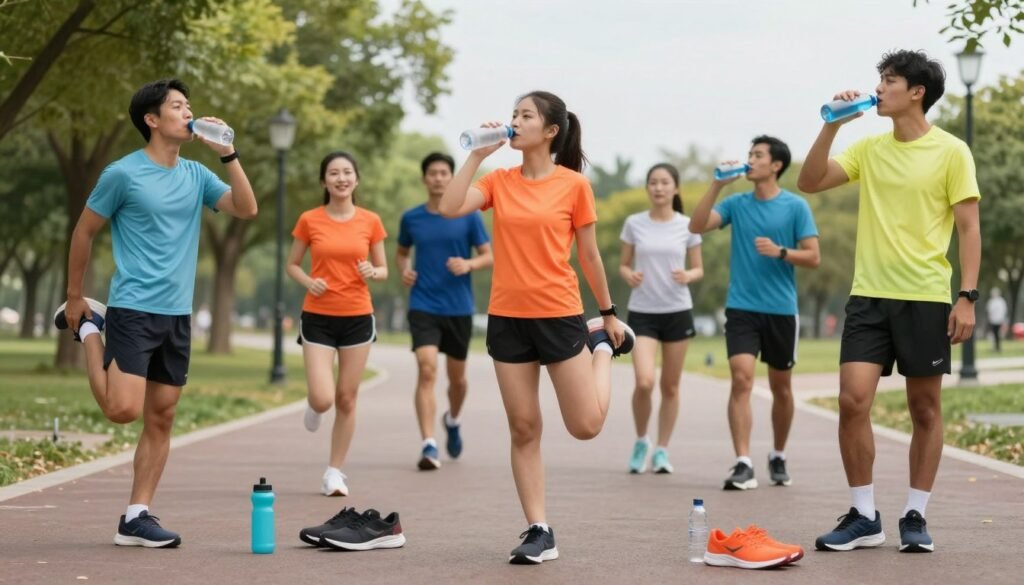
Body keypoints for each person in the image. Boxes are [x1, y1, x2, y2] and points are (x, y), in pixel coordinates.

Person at [54, 79, 258, 547]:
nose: (189, 112)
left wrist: (228, 153)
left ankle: (136, 515)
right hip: (133, 308)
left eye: (189, 105)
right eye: (178, 106)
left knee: (161, 417)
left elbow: (247, 208)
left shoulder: (197, 175)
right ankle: (89, 328)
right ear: (152, 119)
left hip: (177, 315)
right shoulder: (122, 174)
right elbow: (84, 232)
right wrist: (76, 294)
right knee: (121, 410)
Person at [798, 49, 981, 553]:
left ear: (916, 92)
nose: (878, 88)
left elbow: (969, 228)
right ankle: (863, 514)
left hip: (924, 296)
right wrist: (833, 126)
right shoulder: (871, 149)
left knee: (925, 408)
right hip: (868, 297)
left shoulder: (951, 152)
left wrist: (966, 297)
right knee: (852, 401)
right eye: (880, 79)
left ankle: (915, 516)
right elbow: (809, 181)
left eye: (889, 80)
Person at [440, 91, 634, 565]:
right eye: (513, 114)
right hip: (507, 318)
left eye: (525, 116)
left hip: (559, 314)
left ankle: (601, 353)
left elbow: (588, 255)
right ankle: (538, 528)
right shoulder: (498, 180)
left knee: (585, 426)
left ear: (550, 131)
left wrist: (607, 315)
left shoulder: (573, 186)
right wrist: (475, 154)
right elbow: (448, 207)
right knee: (524, 428)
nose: (514, 122)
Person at [690, 135, 820, 491]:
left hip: (781, 310)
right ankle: (743, 461)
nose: (750, 160)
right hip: (741, 307)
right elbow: (696, 225)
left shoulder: (796, 207)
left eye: (757, 155)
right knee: (742, 377)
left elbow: (813, 257)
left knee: (782, 387)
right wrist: (716, 185)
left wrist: (781, 252)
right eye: (749, 154)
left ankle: (777, 453)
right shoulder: (737, 203)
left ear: (775, 165)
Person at [286, 151, 388, 497]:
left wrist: (374, 272)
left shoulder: (370, 221)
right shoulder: (310, 220)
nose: (341, 178)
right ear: (324, 181)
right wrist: (307, 281)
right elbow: (293, 265)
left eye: (347, 172)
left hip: (358, 317)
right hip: (318, 317)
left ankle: (334, 472)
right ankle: (315, 406)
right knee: (323, 397)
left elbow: (383, 269)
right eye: (333, 173)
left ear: (356, 179)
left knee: (346, 398)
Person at [395, 152, 493, 470]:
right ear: (425, 179)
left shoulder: (468, 215)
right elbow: (401, 253)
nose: (438, 178)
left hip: (459, 307)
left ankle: (452, 419)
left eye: (444, 173)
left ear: (452, 178)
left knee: (458, 380)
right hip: (423, 303)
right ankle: (428, 444)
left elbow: (488, 256)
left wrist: (468, 263)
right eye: (433, 173)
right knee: (426, 369)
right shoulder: (412, 218)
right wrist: (404, 270)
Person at [619, 163, 704, 474]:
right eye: (653, 182)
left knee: (670, 386)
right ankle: (642, 440)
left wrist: (688, 275)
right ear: (647, 188)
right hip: (642, 311)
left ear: (675, 188)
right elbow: (623, 265)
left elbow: (699, 268)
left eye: (665, 182)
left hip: (677, 310)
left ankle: (662, 450)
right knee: (644, 381)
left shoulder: (688, 226)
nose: (658, 187)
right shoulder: (634, 223)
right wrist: (629, 274)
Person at [986, 288, 1007, 353]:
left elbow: (1004, 311)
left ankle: (998, 347)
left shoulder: (1001, 301)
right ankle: (994, 347)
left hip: (999, 320)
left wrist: (1003, 319)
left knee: (998, 334)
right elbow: (989, 311)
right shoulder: (991, 301)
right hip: (993, 320)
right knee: (994, 334)